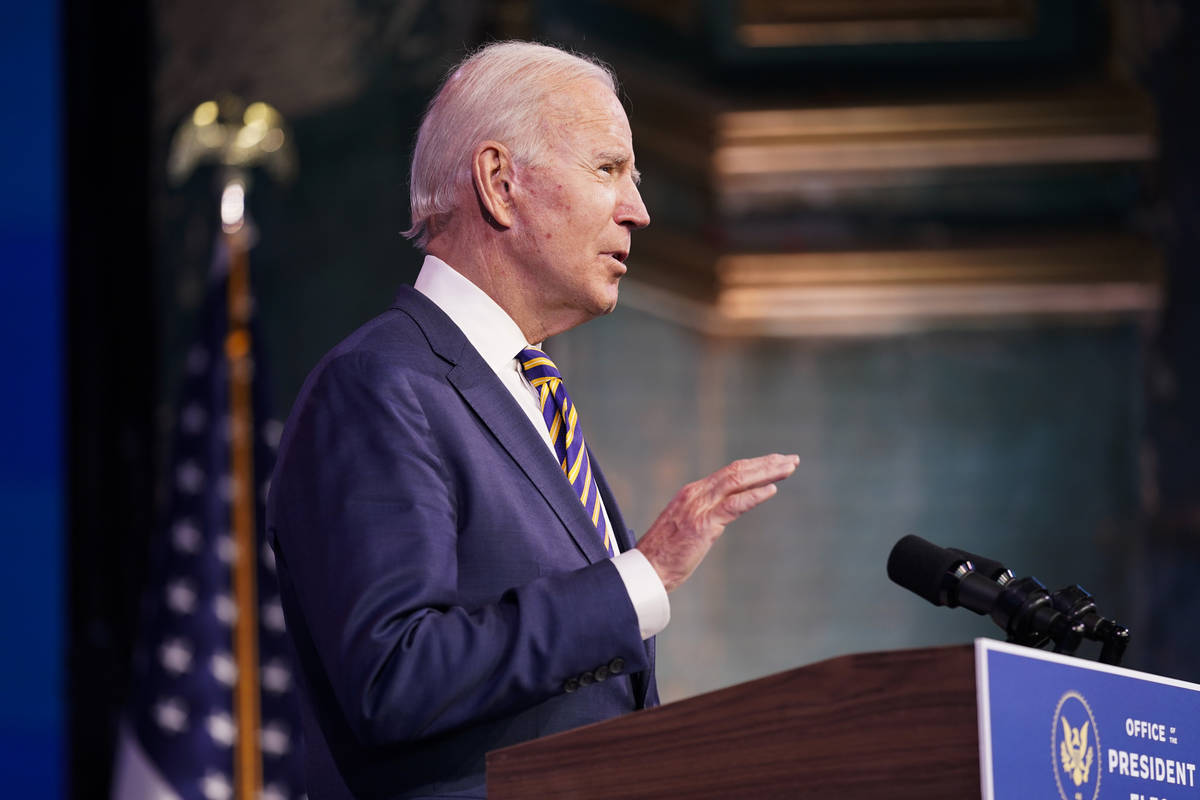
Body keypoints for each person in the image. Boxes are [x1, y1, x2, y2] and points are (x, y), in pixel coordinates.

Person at [266, 40, 798, 799]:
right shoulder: (380, 385)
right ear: (499, 183)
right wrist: (640, 576)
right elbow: (397, 672)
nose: (639, 210)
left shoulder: (530, 396)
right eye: (608, 169)